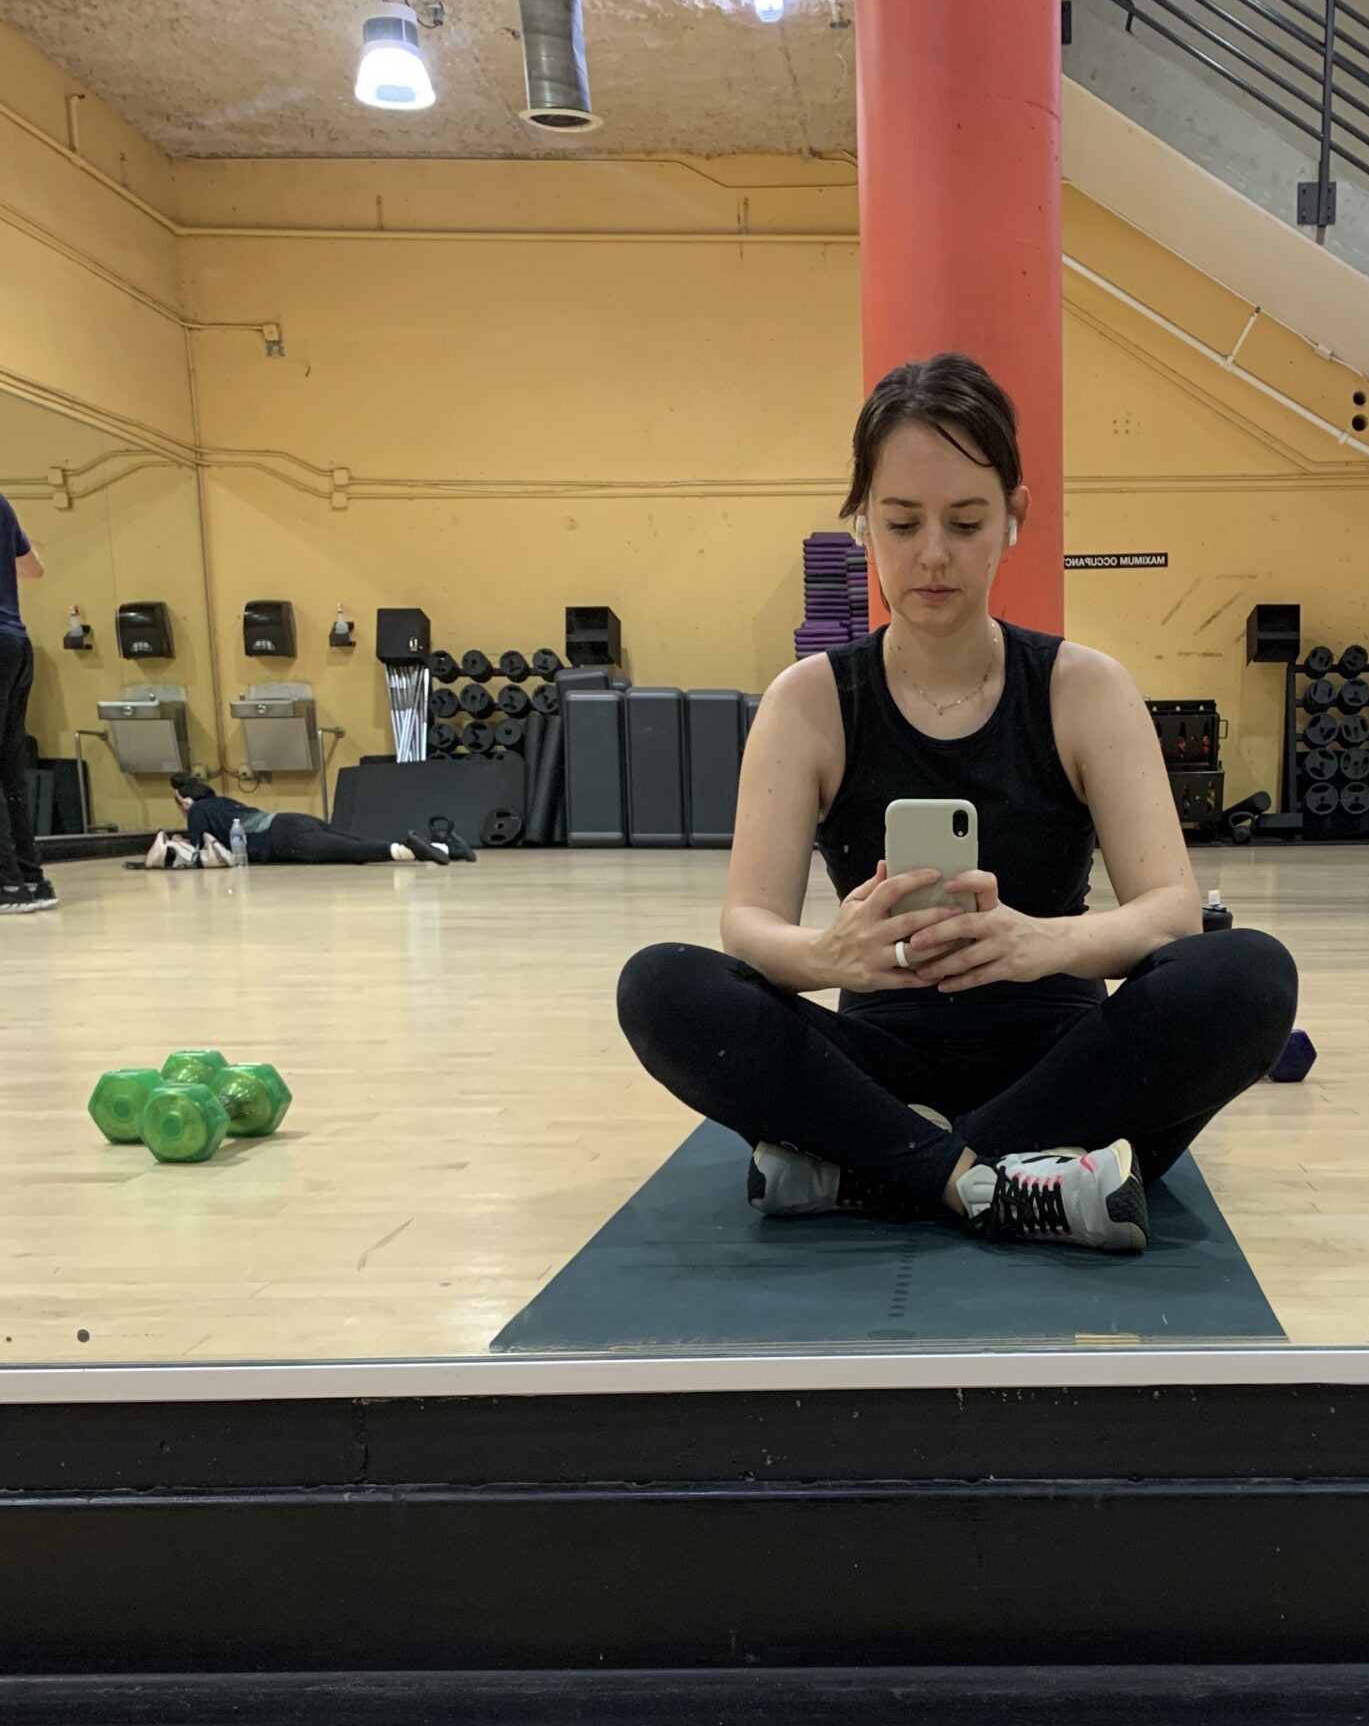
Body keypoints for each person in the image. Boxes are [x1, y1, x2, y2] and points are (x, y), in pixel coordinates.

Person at [618, 354, 1297, 1255]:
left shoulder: (1086, 690)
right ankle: (1001, 1182)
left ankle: (882, 1169)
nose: (932, 554)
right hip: (876, 1069)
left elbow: (1172, 910)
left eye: (966, 522)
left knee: (1251, 975)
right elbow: (747, 925)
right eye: (902, 523)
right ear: (863, 522)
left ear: (1014, 518)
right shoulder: (808, 702)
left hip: (1065, 1065)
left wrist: (1043, 942)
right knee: (662, 986)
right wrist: (828, 954)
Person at [148, 776, 476, 868]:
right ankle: (449, 848)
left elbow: (199, 851)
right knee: (355, 842)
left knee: (351, 853)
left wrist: (177, 842)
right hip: (291, 820)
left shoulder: (198, 812)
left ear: (186, 802)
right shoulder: (223, 802)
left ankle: (409, 852)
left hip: (282, 840)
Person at [0, 489, 53, 917]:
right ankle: (32, 878)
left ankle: (6, 883)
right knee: (10, 767)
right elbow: (34, 567)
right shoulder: (1, 503)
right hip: (16, 644)